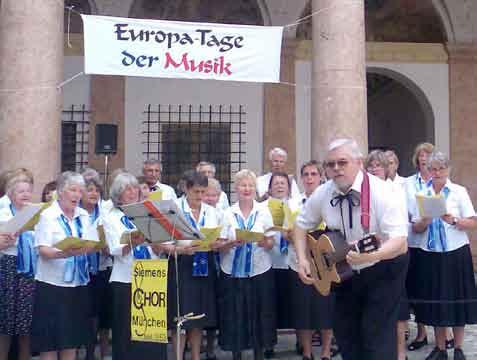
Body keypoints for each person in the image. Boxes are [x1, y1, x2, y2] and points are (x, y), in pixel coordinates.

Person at [294, 138, 408, 360]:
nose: (336, 168)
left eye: (342, 162)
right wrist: (303, 259)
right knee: (346, 333)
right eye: (330, 164)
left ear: (359, 162)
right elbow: (300, 225)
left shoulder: (383, 193)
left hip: (384, 267)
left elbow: (400, 242)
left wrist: (374, 254)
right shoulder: (323, 192)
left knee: (376, 335)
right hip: (342, 271)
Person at [411, 151, 477, 360]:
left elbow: (473, 222)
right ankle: (440, 348)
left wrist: (453, 220)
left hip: (455, 253)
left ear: (448, 170)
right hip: (431, 254)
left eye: (441, 168)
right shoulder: (422, 194)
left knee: (457, 301)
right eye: (433, 168)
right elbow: (415, 228)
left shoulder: (458, 192)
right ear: (428, 171)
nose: (437, 172)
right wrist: (425, 221)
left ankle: (458, 348)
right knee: (435, 301)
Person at [30, 171, 97, 360]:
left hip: (77, 286)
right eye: (72, 190)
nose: (77, 195)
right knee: (49, 341)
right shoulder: (48, 215)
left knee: (71, 340)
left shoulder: (83, 215)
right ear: (60, 192)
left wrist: (89, 246)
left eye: (80, 191)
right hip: (51, 286)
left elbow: (92, 242)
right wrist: (63, 253)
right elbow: (42, 249)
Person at [102, 172, 167, 360]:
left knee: (151, 330)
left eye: (134, 188)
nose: (131, 192)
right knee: (126, 331)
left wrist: (157, 244)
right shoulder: (112, 217)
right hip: (126, 278)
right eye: (126, 189)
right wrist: (134, 241)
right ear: (118, 195)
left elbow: (158, 247)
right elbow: (114, 249)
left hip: (151, 276)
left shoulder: (148, 212)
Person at [217, 169, 276, 360]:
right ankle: (237, 355)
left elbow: (271, 242)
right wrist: (230, 243)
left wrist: (262, 242)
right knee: (235, 314)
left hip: (259, 270)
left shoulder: (264, 211)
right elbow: (219, 245)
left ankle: (259, 354)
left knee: (259, 313)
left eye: (250, 185)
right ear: (236, 188)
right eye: (243, 185)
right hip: (232, 271)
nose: (247, 189)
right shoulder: (227, 213)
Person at [167, 171, 220, 360]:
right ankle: (178, 357)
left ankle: (196, 356)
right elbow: (164, 242)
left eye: (203, 192)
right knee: (180, 317)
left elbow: (215, 235)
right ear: (186, 189)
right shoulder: (174, 210)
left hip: (203, 264)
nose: (200, 197)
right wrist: (183, 249)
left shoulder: (210, 211)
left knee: (198, 316)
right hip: (182, 264)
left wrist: (215, 244)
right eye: (196, 192)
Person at [365, 150, 410, 360]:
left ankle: (400, 353)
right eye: (371, 166)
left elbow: (401, 227)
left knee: (397, 308)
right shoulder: (364, 192)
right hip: (370, 255)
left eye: (378, 166)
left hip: (394, 254)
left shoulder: (395, 191)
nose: (374, 169)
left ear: (386, 169)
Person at [291, 160, 336, 360]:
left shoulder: (330, 201)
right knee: (304, 311)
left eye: (313, 174)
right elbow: (288, 231)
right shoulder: (293, 203)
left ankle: (326, 352)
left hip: (326, 262)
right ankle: (307, 353)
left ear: (320, 177)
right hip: (302, 262)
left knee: (326, 309)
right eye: (306, 175)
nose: (309, 178)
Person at [0, 173, 37, 360]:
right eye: (21, 191)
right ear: (11, 193)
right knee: (4, 324)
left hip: (28, 270)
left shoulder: (34, 213)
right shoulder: (2, 210)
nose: (25, 194)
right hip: (6, 267)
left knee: (26, 325)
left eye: (29, 191)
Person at [404, 142, 435, 351]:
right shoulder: (407, 183)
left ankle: (446, 331)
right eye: (421, 156)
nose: (423, 159)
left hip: (438, 245)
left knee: (437, 289)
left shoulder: (441, 182)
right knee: (419, 290)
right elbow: (404, 209)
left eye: (428, 155)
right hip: (416, 242)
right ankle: (421, 333)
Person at [80, 175, 112, 360]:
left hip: (102, 267)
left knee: (103, 315)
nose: (93, 193)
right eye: (89, 189)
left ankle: (103, 353)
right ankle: (86, 353)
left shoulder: (105, 213)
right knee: (86, 315)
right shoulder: (76, 214)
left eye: (97, 190)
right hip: (81, 271)